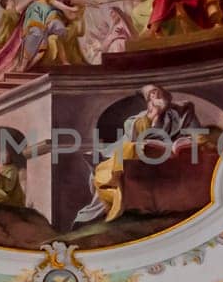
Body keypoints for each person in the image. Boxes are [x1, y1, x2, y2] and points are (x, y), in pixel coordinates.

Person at [75, 84, 204, 224]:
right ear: (148, 101)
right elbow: (135, 140)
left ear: (166, 93)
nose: (156, 96)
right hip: (139, 154)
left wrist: (189, 143)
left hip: (173, 158)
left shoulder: (184, 110)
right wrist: (153, 116)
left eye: (158, 92)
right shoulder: (136, 120)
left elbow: (200, 137)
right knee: (115, 164)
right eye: (151, 95)